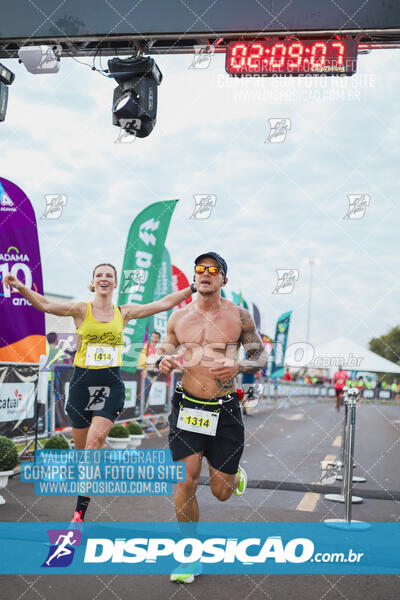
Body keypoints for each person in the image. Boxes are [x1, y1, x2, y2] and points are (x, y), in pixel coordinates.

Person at [4, 263, 196, 523]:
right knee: (84, 455)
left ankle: (78, 515)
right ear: (93, 282)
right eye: (99, 275)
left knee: (93, 444)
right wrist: (19, 286)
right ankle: (87, 483)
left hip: (111, 384)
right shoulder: (80, 309)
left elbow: (162, 303)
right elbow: (46, 305)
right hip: (82, 384)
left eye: (109, 275)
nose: (104, 279)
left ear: (116, 283)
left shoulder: (124, 312)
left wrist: (192, 287)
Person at [156, 252, 268, 583]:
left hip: (224, 410)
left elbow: (259, 355)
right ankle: (190, 556)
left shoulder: (239, 317)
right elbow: (166, 347)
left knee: (221, 491)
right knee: (185, 480)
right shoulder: (178, 318)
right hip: (188, 408)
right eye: (200, 269)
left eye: (212, 270)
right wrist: (162, 360)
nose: (205, 273)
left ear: (223, 279)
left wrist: (239, 366)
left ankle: (231, 475)